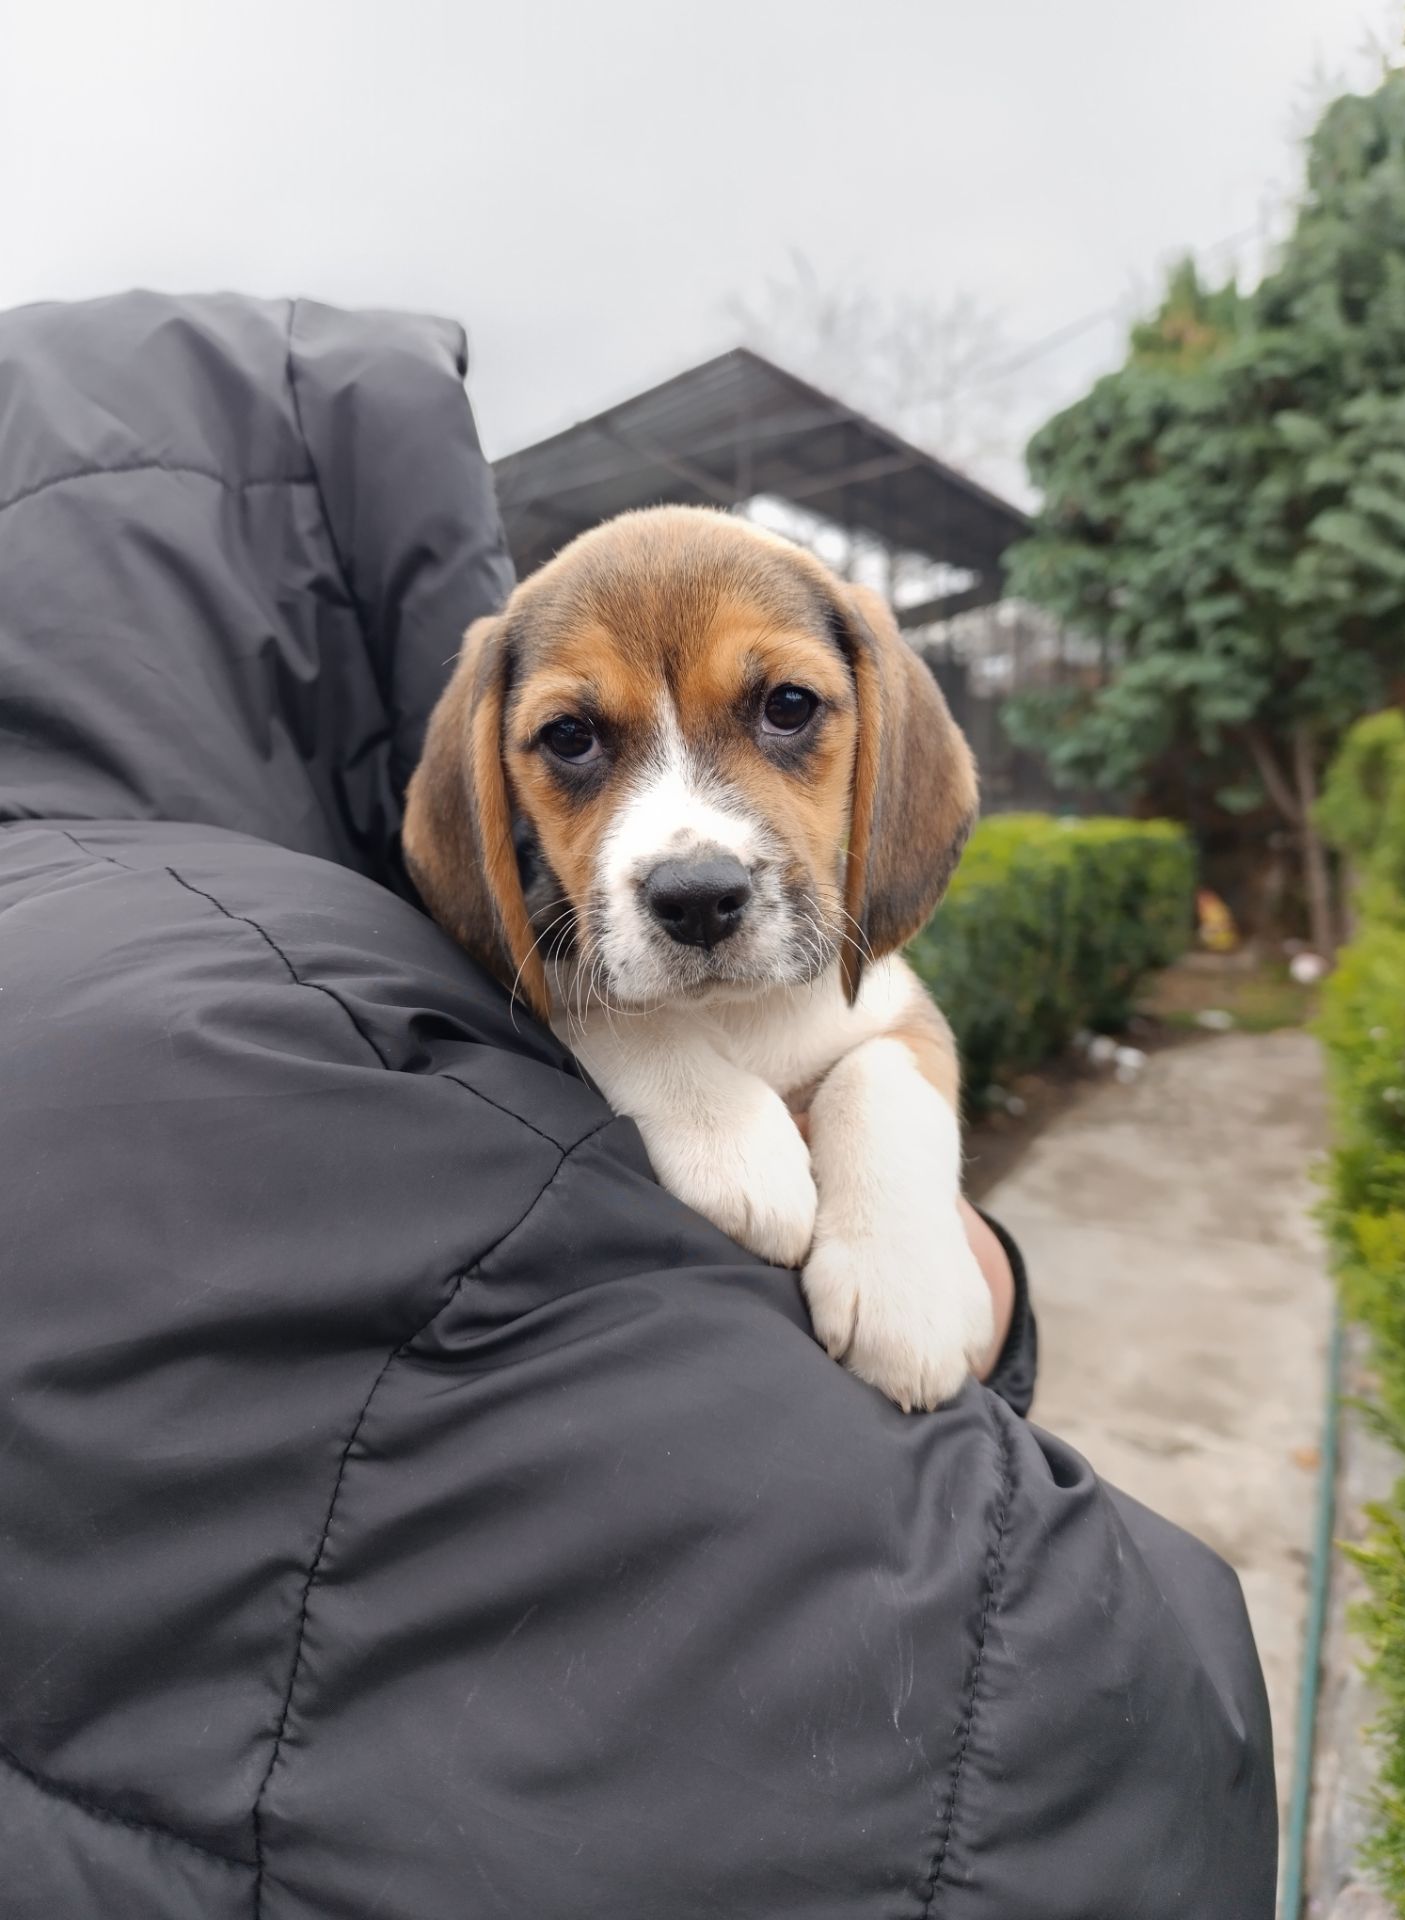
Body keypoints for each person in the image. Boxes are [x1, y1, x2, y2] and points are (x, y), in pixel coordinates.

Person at [0, 292, 1277, 1920]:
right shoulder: (366, 958)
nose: (685, 840)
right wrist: (654, 1060)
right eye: (580, 748)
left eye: (784, 713)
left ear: (877, 735)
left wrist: (891, 1170)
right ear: (489, 788)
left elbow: (896, 1034)